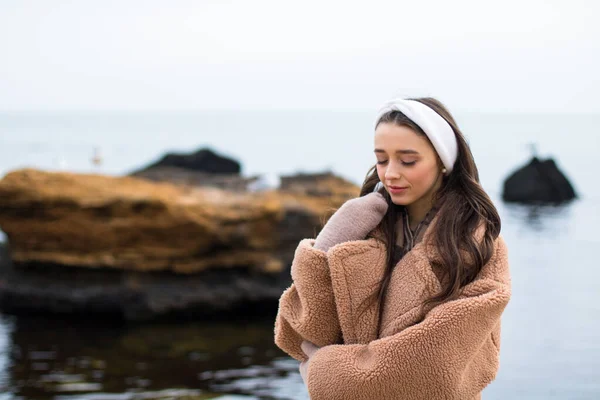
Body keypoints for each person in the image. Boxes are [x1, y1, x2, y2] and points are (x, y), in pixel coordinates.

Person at [274, 97, 511, 399]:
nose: (390, 174)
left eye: (408, 161)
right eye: (382, 159)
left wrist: (325, 372)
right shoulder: (364, 232)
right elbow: (298, 334)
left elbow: (434, 369)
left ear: (443, 162)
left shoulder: (475, 246)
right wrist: (325, 248)